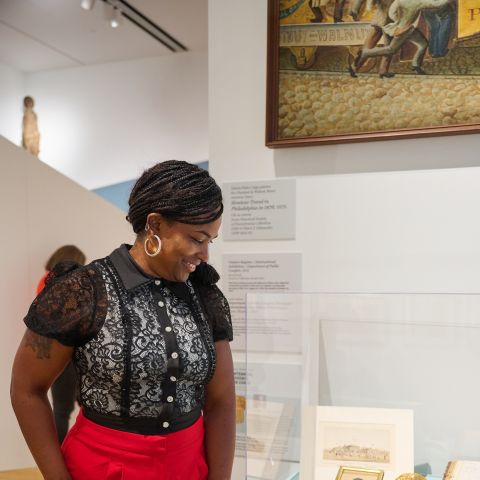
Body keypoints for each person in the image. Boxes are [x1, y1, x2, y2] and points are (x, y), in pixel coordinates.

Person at [11, 160, 236, 480]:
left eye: (209, 241)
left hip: (187, 468)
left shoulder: (204, 296)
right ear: (155, 225)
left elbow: (221, 401)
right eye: (197, 239)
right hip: (102, 469)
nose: (205, 255)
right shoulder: (83, 290)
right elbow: (27, 389)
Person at [36, 245, 87, 444]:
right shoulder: (70, 285)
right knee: (77, 410)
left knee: (61, 410)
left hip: (53, 355)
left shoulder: (45, 281)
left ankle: (61, 460)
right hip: (71, 353)